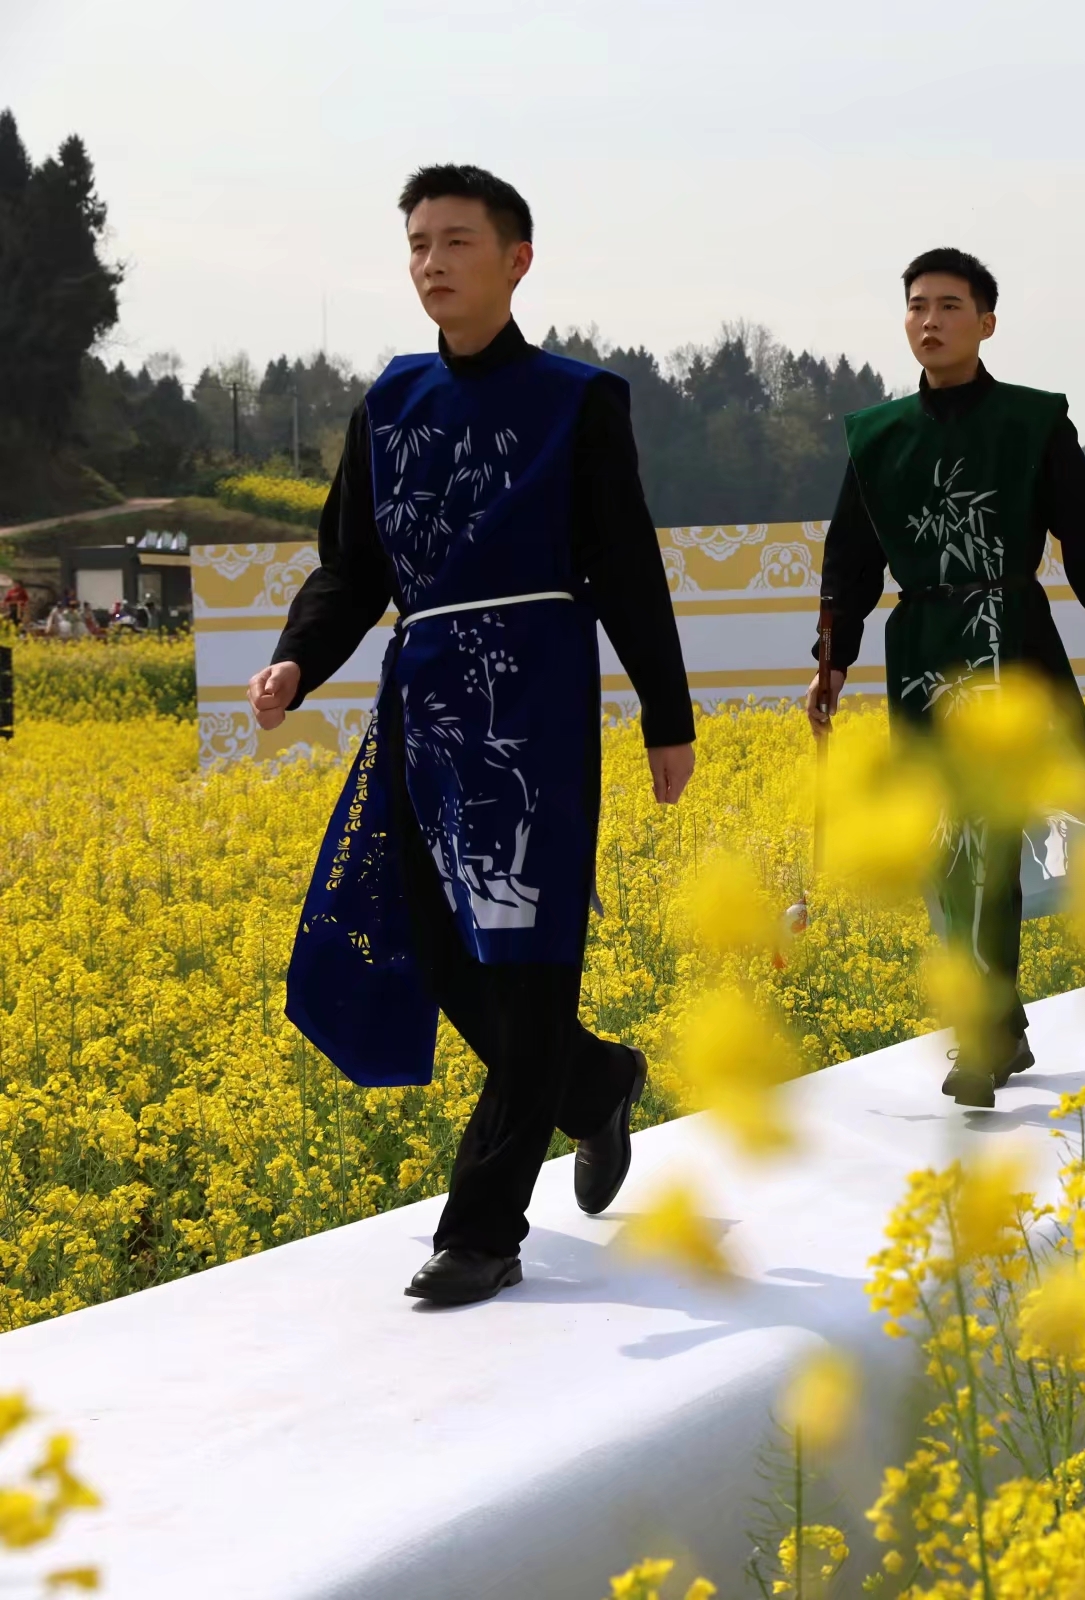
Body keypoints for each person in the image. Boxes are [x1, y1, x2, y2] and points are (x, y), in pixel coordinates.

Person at [246, 164, 696, 1307]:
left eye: (455, 240)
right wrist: (299, 659)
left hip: (531, 706)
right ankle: (594, 1085)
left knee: (527, 961)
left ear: (516, 259)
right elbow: (352, 568)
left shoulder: (577, 400)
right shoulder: (388, 403)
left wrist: (667, 714)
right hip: (421, 705)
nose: (431, 262)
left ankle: (483, 1229)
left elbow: (627, 567)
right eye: (416, 243)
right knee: (445, 952)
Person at [806, 247, 1085, 1109]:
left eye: (950, 306)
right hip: (923, 647)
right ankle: (998, 1020)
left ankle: (983, 1034)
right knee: (943, 839)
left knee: (990, 834)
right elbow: (849, 560)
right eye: (917, 305)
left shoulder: (1034, 421)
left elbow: (1083, 539)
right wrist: (831, 662)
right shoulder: (877, 437)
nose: (931, 321)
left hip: (1010, 639)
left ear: (986, 322)